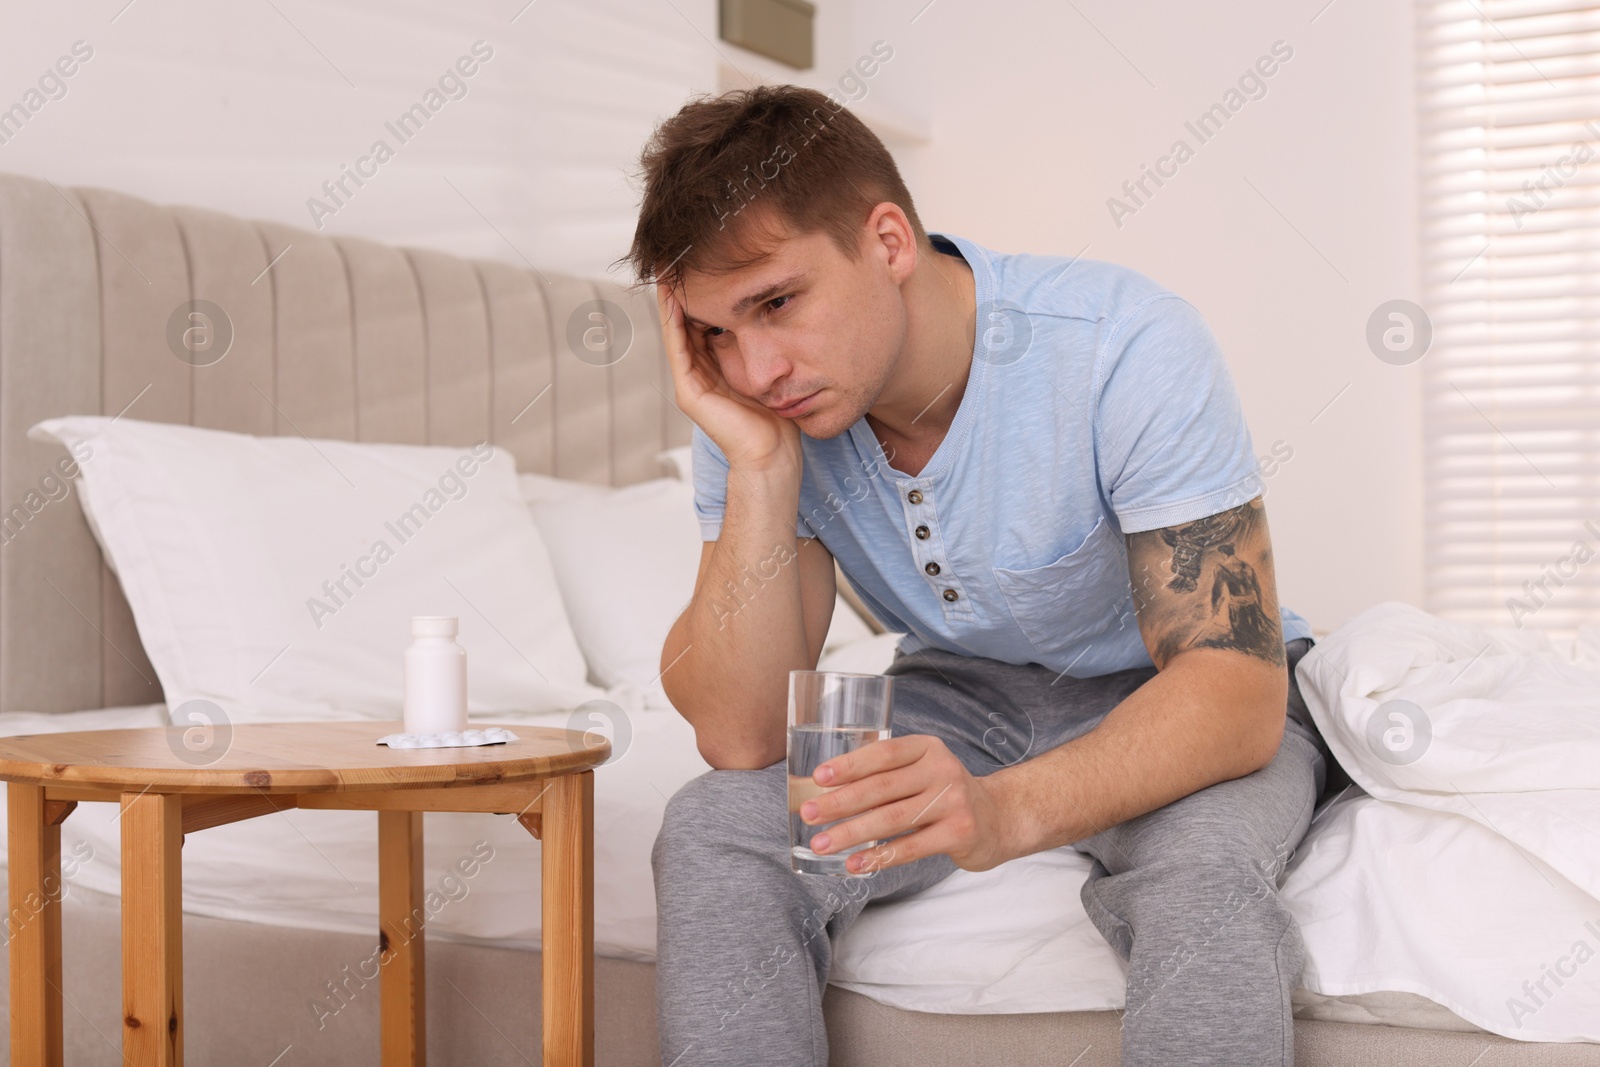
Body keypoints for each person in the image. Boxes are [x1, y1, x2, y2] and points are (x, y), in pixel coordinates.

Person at [618, 82, 1341, 1067]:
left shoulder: (1123, 344)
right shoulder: (753, 412)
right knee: (717, 827)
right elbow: (739, 732)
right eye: (715, 333)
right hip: (960, 688)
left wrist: (1007, 809)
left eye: (777, 302)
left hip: (1177, 687)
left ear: (886, 241)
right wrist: (757, 466)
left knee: (1199, 872)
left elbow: (1235, 685)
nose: (756, 368)